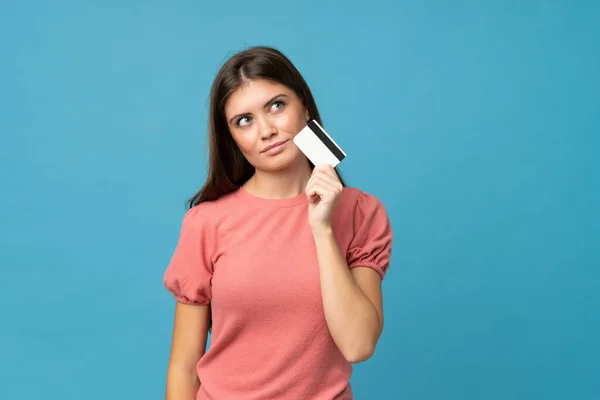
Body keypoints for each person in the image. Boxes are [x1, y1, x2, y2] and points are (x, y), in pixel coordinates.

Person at [163, 46, 393, 400]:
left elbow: (358, 345)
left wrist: (322, 229)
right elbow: (183, 364)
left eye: (276, 106)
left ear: (304, 107)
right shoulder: (206, 223)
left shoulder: (361, 212)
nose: (267, 130)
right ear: (232, 139)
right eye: (245, 120)